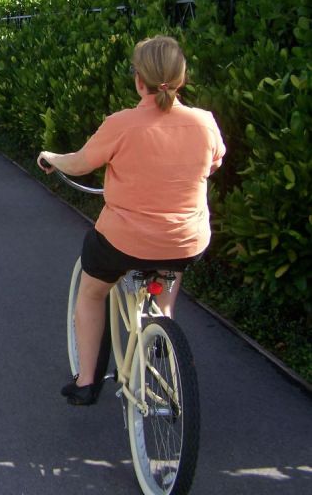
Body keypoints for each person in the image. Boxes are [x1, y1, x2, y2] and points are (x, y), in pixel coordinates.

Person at [37, 36, 225, 406]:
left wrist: (51, 157)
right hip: (188, 240)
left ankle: (87, 381)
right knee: (170, 265)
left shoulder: (121, 124)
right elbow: (213, 163)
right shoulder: (205, 123)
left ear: (139, 80)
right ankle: (162, 330)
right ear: (182, 77)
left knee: (92, 292)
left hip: (124, 240)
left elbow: (80, 163)